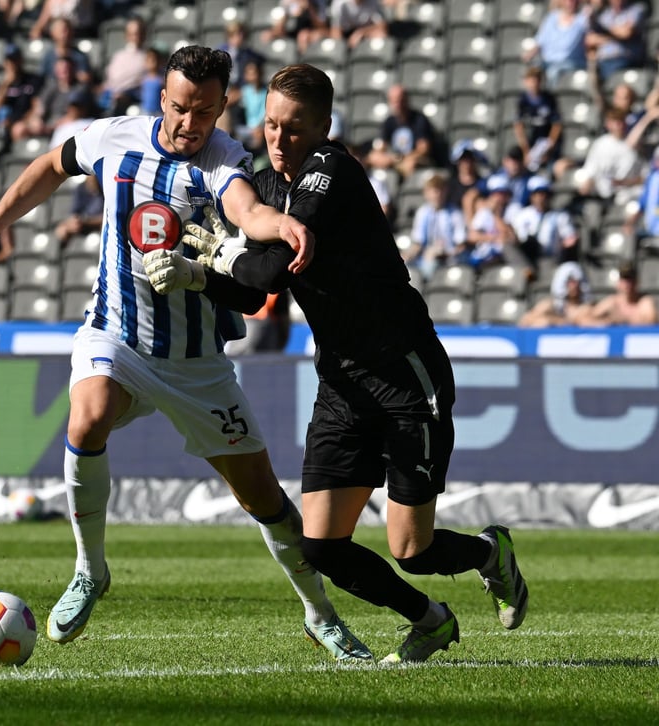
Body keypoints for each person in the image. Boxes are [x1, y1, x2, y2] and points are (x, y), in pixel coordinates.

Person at [0, 46, 372, 662]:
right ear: (162, 97)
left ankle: (319, 613)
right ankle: (90, 570)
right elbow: (51, 165)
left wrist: (283, 225)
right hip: (115, 335)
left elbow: (246, 208)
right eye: (179, 107)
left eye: (205, 112)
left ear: (221, 109)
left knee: (264, 500)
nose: (189, 123)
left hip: (197, 365)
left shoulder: (226, 161)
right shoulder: (116, 139)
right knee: (86, 417)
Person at [148, 64, 528, 663]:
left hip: (404, 374)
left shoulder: (330, 173)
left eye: (294, 128)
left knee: (412, 549)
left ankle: (489, 553)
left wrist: (216, 257)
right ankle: (430, 621)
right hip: (343, 383)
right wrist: (200, 276)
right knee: (321, 545)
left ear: (323, 127)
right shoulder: (268, 188)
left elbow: (269, 272)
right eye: (271, 125)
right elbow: (250, 296)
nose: (278, 139)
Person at [365, 84, 436, 179]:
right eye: (394, 101)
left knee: (410, 163)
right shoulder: (389, 121)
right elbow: (381, 146)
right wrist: (389, 158)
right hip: (395, 160)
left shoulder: (419, 120)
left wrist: (402, 158)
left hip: (413, 158)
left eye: (400, 100)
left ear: (406, 100)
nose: (398, 104)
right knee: (373, 157)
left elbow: (423, 149)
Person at [406, 173, 467, 281]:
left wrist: (445, 253)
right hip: (426, 258)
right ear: (426, 193)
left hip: (450, 259)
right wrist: (406, 256)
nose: (437, 195)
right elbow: (418, 243)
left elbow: (461, 246)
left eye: (440, 190)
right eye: (434, 191)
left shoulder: (455, 213)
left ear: (446, 191)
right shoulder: (423, 213)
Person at [522, 0, 590, 88]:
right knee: (533, 71)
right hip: (548, 61)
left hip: (571, 62)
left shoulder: (583, 20)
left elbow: (591, 35)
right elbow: (540, 41)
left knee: (553, 71)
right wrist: (530, 54)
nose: (570, 3)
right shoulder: (551, 18)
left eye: (573, 1)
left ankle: (550, 97)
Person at [580, 260, 658, 325]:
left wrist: (629, 322)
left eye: (630, 279)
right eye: (624, 279)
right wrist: (606, 323)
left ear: (636, 282)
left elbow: (652, 322)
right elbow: (583, 320)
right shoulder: (613, 303)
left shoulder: (644, 302)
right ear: (619, 283)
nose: (628, 284)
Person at [519, 260, 593, 326]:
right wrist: (555, 321)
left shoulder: (586, 309)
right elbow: (525, 321)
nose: (575, 286)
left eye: (577, 282)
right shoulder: (549, 306)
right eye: (571, 282)